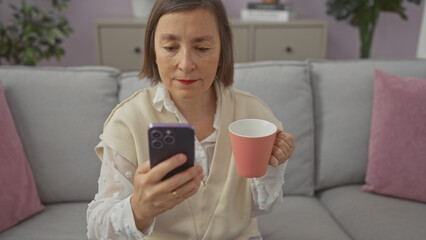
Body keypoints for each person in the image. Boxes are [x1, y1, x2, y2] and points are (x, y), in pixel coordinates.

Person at [86, 0, 295, 239]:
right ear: (153, 51)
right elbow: (96, 230)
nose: (185, 65)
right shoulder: (127, 120)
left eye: (202, 48)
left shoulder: (255, 115)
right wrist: (139, 209)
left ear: (221, 53)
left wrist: (272, 169)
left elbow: (263, 207)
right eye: (170, 47)